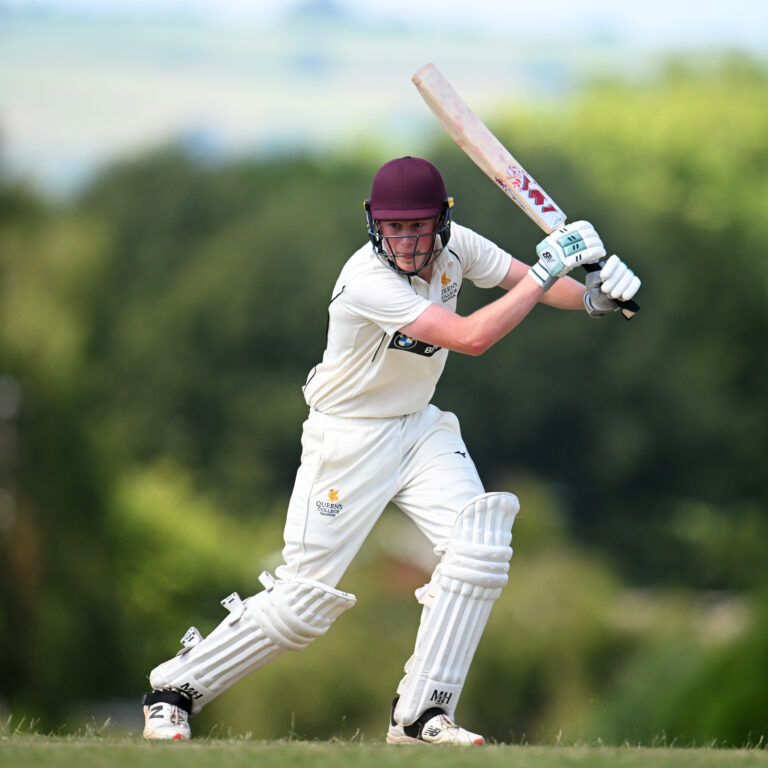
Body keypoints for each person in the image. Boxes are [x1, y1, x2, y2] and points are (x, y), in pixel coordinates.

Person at [141, 156, 641, 745]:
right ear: (375, 224)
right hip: (347, 438)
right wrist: (548, 266)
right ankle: (173, 689)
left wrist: (588, 298)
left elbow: (524, 285)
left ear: (441, 221)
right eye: (393, 227)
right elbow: (472, 337)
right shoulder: (366, 280)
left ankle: (422, 714)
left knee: (479, 547)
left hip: (417, 427)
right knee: (303, 603)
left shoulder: (457, 249)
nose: (405, 240)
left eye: (417, 226)